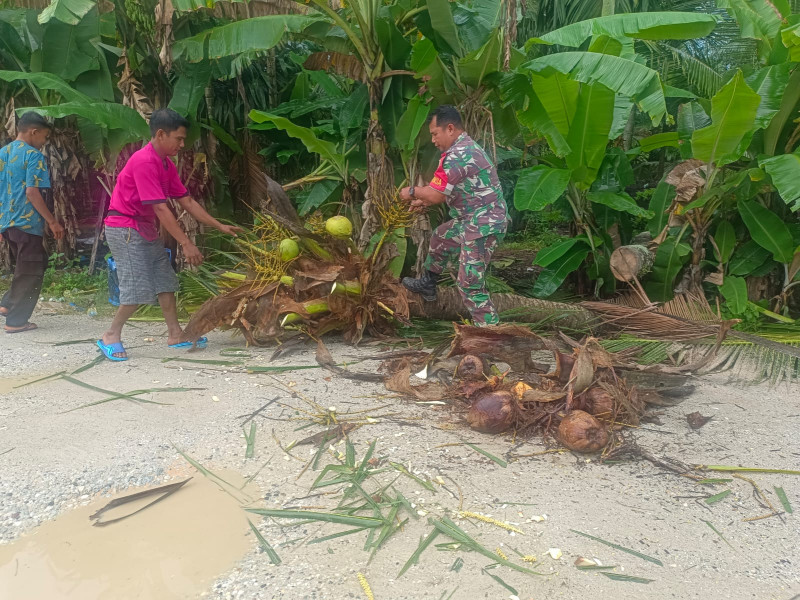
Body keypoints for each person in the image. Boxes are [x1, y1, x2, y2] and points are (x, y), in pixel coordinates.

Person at [97, 108, 241, 361]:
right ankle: (111, 334)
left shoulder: (165, 164)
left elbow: (187, 201)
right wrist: (185, 243)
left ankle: (175, 334)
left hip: (143, 228)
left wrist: (220, 226)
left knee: (165, 281)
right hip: (125, 228)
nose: (182, 144)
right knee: (136, 287)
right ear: (161, 134)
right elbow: (161, 208)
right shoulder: (144, 161)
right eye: (179, 138)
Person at [399, 105, 508, 326]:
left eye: (434, 134)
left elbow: (436, 194)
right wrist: (423, 200)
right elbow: (443, 191)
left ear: (450, 128)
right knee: (441, 237)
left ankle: (491, 333)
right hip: (471, 220)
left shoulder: (459, 155)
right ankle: (428, 283)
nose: (433, 140)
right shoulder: (461, 149)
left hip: (482, 224)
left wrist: (411, 192)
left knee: (469, 284)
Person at [0, 112, 65, 333]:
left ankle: (7, 304)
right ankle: (16, 321)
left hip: (8, 223)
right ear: (33, 132)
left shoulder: (3, 153)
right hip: (26, 223)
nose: (44, 142)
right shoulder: (33, 155)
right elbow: (32, 192)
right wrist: (52, 222)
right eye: (44, 137)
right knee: (30, 271)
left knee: (31, 264)